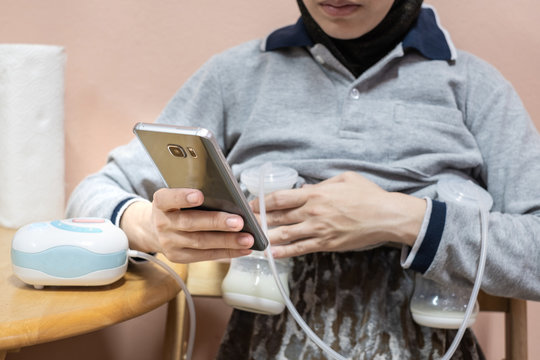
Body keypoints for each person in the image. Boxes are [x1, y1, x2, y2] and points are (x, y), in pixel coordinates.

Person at [67, 0, 540, 358]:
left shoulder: (475, 87)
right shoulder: (237, 77)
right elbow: (88, 198)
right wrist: (150, 225)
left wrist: (408, 219)